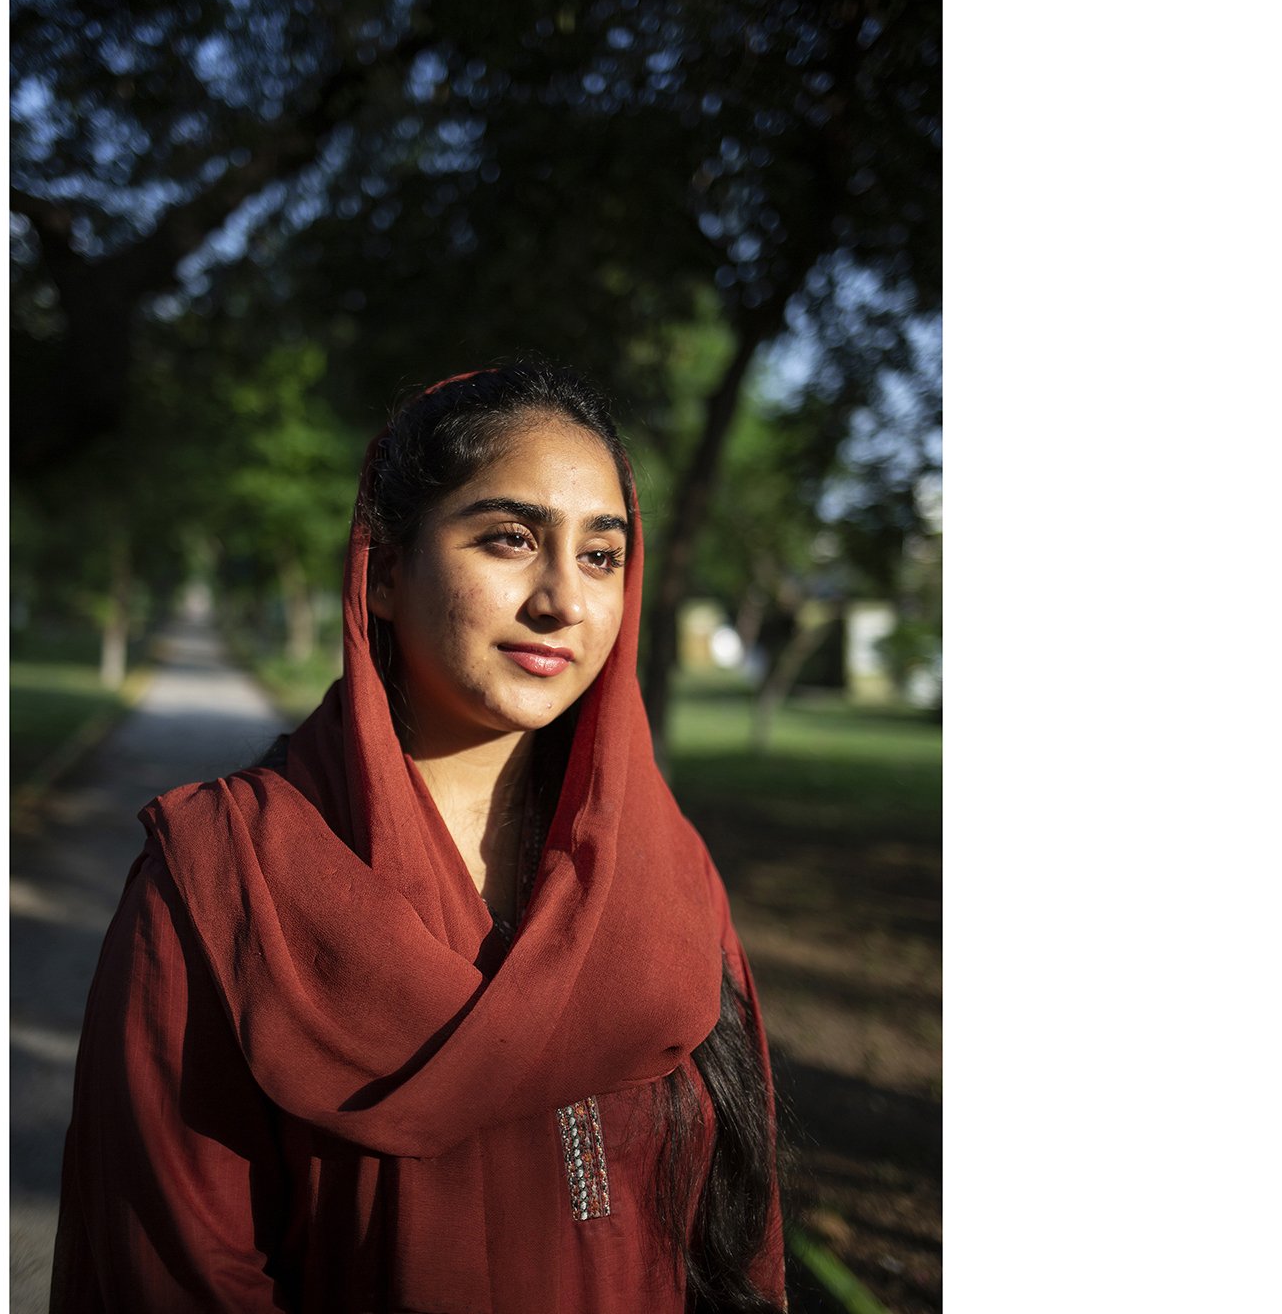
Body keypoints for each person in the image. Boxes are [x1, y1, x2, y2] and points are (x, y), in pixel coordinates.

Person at [50, 363, 785, 1313]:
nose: (564, 599)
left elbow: (733, 1231)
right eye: (511, 540)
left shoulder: (668, 878)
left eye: (601, 556)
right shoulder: (225, 879)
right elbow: (175, 1268)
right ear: (386, 571)